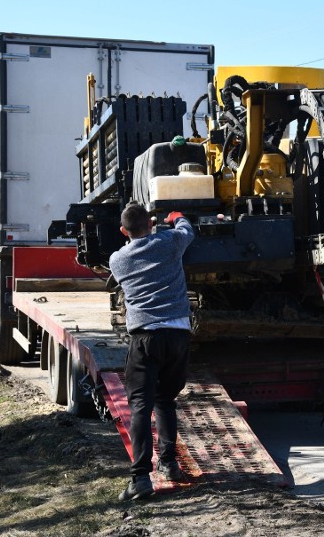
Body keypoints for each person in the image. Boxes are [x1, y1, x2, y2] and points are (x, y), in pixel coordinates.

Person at [109, 203, 195, 501]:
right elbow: (187, 231)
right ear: (151, 222)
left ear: (123, 231)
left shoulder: (118, 260)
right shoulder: (169, 242)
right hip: (179, 335)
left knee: (140, 407)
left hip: (146, 338)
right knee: (166, 399)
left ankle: (140, 479)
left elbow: (137, 249)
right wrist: (177, 217)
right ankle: (169, 464)